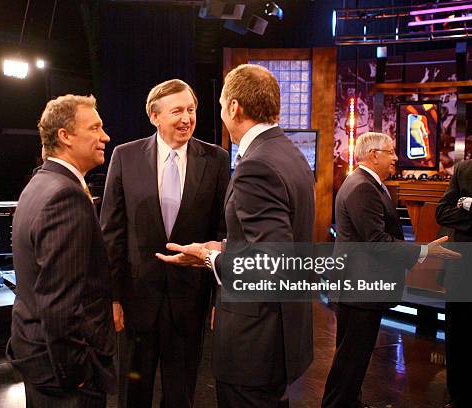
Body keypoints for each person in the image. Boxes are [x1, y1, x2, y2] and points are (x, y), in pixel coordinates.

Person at [157, 64, 316, 408]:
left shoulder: (256, 166)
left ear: (234, 108)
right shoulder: (289, 154)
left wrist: (208, 257)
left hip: (254, 344)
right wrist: (227, 245)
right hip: (279, 335)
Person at [100, 79, 230, 408]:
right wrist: (113, 297)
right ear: (155, 116)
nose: (187, 118)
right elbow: (112, 233)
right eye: (177, 111)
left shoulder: (216, 160)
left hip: (190, 300)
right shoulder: (125, 156)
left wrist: (219, 297)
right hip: (136, 299)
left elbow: (223, 231)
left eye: (191, 110)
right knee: (133, 394)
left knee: (181, 394)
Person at [321, 132, 460, 408]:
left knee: (351, 361)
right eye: (391, 152)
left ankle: (349, 403)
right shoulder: (362, 186)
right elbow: (377, 242)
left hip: (357, 288)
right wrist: (423, 251)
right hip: (360, 290)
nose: (396, 158)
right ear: (374, 155)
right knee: (350, 361)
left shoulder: (364, 183)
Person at [6, 94, 115, 408]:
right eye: (95, 128)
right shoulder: (65, 196)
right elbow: (60, 303)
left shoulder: (40, 183)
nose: (104, 136)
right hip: (62, 374)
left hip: (37, 354)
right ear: (65, 136)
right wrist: (75, 372)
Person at [436, 158, 472, 408]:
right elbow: (442, 212)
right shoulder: (463, 169)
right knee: (458, 336)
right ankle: (457, 397)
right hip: (461, 267)